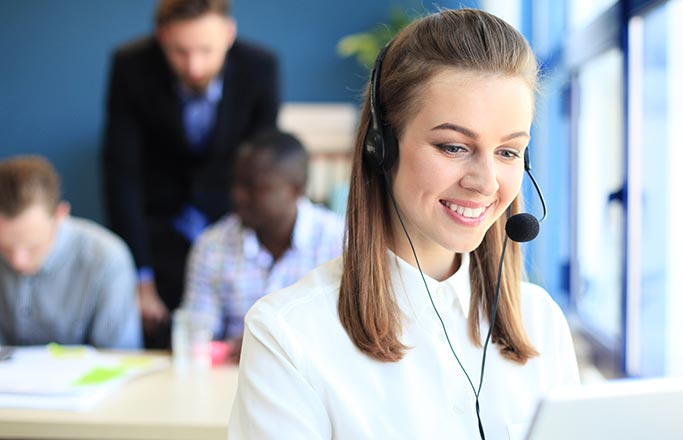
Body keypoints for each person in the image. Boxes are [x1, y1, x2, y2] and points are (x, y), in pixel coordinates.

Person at [228, 8, 579, 440]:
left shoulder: (541, 321)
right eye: (453, 147)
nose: (486, 182)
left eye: (508, 152)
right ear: (382, 148)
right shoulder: (288, 336)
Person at [101, 0, 279, 348]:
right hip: (156, 230)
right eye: (180, 52)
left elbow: (263, 165)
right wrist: (140, 278)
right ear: (162, 37)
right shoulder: (131, 66)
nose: (194, 66)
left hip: (230, 225)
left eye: (206, 50)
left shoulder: (261, 67)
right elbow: (122, 176)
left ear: (229, 34)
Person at [181, 130, 345, 361]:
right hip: (231, 382)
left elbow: (351, 339)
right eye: (236, 183)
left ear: (294, 190)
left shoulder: (341, 243)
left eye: (253, 187)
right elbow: (195, 338)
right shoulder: (211, 246)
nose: (238, 196)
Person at [0, 156, 142, 349]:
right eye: (5, 248)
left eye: (33, 247)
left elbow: (120, 358)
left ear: (60, 215)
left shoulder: (106, 258)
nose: (18, 262)